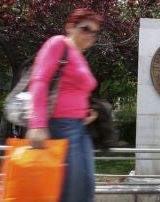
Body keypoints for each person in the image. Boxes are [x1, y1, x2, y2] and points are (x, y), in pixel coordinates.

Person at [25, 8, 103, 202]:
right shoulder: (58, 44)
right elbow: (40, 81)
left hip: (79, 127)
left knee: (85, 186)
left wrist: (87, 113)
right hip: (61, 126)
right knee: (71, 190)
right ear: (70, 26)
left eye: (94, 32)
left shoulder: (79, 57)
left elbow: (71, 91)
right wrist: (37, 124)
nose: (90, 35)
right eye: (86, 28)